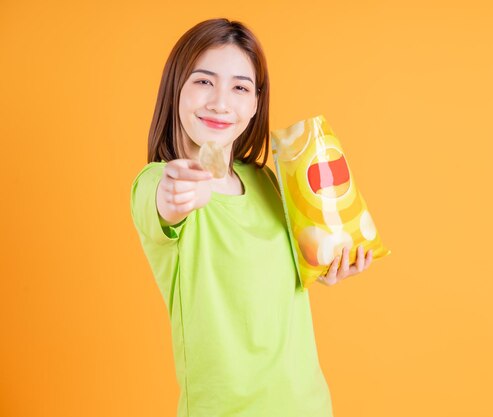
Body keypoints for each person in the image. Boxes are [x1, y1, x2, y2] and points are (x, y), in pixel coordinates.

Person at [129, 18, 373, 417]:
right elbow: (164, 202)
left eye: (240, 87)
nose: (221, 102)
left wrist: (323, 267)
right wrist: (179, 192)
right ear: (176, 88)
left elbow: (275, 282)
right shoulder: (157, 182)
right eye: (204, 81)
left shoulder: (266, 181)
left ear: (256, 102)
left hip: (307, 406)